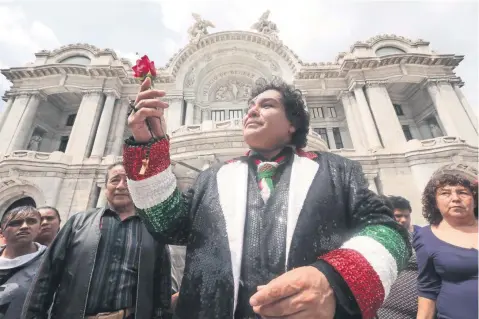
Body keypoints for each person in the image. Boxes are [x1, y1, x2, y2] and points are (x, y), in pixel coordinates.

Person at [122, 77, 411, 319]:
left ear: (292, 125)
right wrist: (148, 147)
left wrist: (335, 279)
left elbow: (389, 232)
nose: (251, 112)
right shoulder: (212, 178)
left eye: (267, 105)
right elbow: (167, 225)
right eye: (250, 107)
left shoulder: (337, 171)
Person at [22, 163, 173, 319]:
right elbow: (46, 277)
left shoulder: (153, 231)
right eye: (115, 180)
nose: (121, 186)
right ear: (105, 187)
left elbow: (162, 288)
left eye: (128, 180)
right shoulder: (78, 223)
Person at [414, 163, 478, 319]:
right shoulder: (426, 237)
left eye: (463, 192)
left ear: (475, 199)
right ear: (434, 201)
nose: (455, 198)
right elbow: (427, 291)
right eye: (445, 193)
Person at [0, 206, 46, 319]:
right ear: (2, 231)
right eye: (16, 223)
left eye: (31, 221)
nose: (25, 226)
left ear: (39, 228)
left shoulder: (51, 262)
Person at [377, 195, 418, 318]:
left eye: (407, 216)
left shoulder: (419, 239)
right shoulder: (376, 241)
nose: (404, 220)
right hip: (384, 312)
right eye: (398, 216)